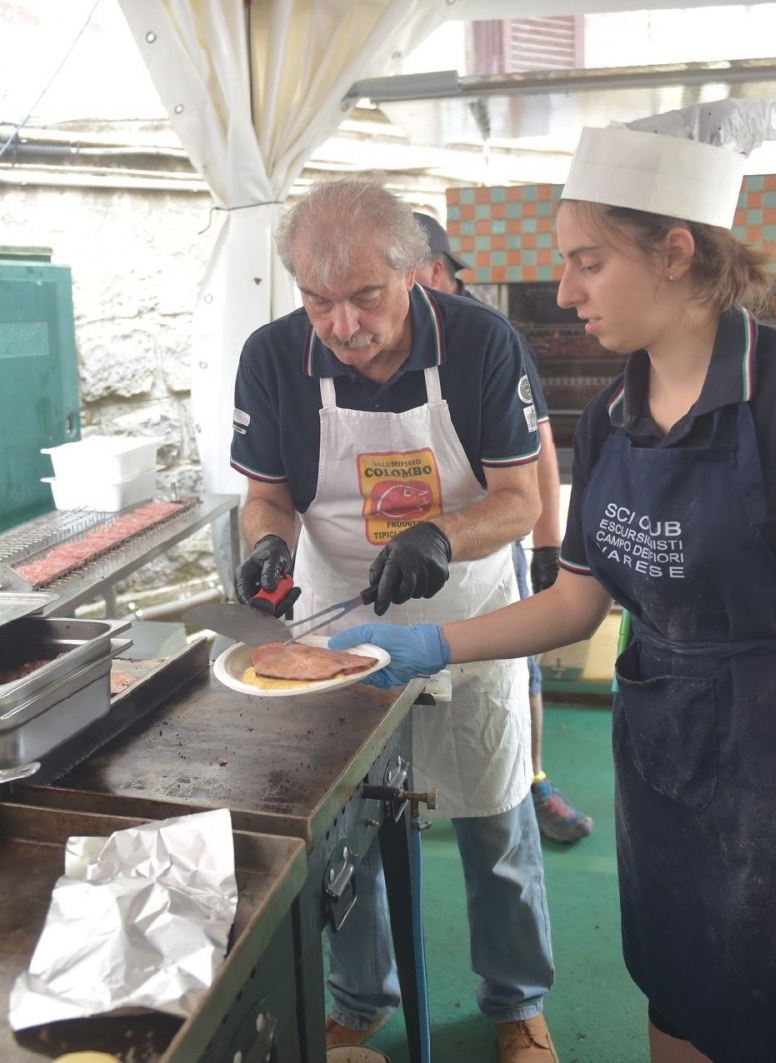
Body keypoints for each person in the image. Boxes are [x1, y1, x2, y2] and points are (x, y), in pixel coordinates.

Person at [332, 101, 776, 1063]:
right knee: (682, 994)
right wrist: (434, 643)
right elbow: (580, 600)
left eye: (587, 260)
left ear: (676, 253)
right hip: (663, 767)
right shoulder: (611, 418)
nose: (565, 291)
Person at [231, 175, 561, 1063]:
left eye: (364, 298)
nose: (340, 325)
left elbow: (521, 498)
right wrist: (265, 543)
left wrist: (441, 536)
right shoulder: (271, 356)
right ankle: (358, 992)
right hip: (340, 611)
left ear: (414, 271)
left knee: (494, 808)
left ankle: (516, 1002)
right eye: (317, 300)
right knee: (350, 820)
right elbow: (266, 496)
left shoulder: (483, 346)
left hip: (468, 602)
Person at [412, 211, 594, 844]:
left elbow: (539, 440)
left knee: (513, 669)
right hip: (398, 546)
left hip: (489, 537)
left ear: (429, 271)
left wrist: (548, 546)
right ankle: (419, 789)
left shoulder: (487, 339)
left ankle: (534, 780)